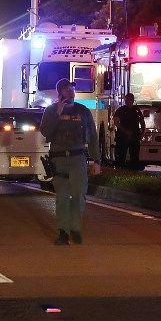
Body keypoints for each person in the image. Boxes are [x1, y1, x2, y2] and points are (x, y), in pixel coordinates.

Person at [40, 79, 101, 245]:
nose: (71, 90)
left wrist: (96, 160)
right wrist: (57, 113)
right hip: (58, 158)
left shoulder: (83, 111)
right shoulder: (51, 110)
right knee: (62, 197)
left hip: (78, 158)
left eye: (72, 88)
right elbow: (46, 132)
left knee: (79, 195)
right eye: (67, 88)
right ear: (60, 92)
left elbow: (93, 136)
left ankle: (75, 228)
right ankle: (63, 232)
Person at [113, 92, 145, 169]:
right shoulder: (121, 110)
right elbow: (116, 123)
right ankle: (121, 169)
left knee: (134, 157)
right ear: (125, 100)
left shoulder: (136, 110)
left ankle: (132, 169)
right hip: (123, 137)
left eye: (131, 99)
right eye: (128, 99)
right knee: (121, 157)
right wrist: (125, 131)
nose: (129, 101)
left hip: (133, 136)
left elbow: (142, 122)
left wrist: (142, 133)